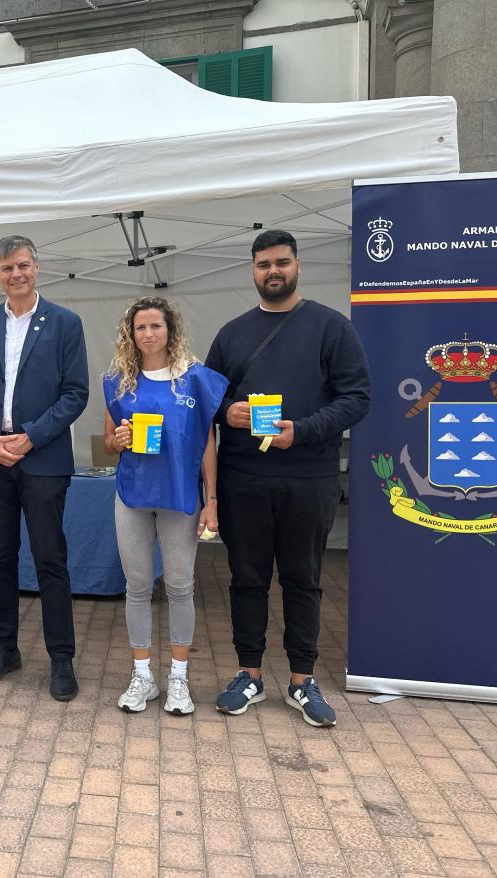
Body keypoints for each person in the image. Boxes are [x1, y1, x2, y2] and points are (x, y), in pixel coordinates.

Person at [204, 229, 370, 727]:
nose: (272, 272)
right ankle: (248, 674)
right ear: (252, 271)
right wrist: (227, 410)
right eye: (262, 265)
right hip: (244, 478)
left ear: (298, 265)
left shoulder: (331, 327)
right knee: (247, 579)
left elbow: (357, 398)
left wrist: (303, 431)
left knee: (303, 580)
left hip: (309, 477)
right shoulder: (232, 334)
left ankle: (302, 680)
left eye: (281, 262)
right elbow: (205, 398)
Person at [0, 235, 89, 701]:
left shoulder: (65, 323)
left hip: (43, 459)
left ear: (36, 268)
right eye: (8, 268)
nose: (17, 274)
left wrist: (32, 435)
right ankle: (5, 648)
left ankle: (61, 659)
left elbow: (76, 393)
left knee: (51, 560)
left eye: (24, 265)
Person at [102, 296, 226, 715]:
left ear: (170, 330)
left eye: (156, 326)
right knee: (137, 587)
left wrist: (211, 499)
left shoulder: (193, 379)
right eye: (140, 328)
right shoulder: (119, 380)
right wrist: (116, 440)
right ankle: (143, 677)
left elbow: (208, 443)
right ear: (130, 334)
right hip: (133, 495)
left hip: (179, 497)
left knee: (179, 586)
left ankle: (178, 679)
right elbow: (108, 442)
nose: (148, 334)